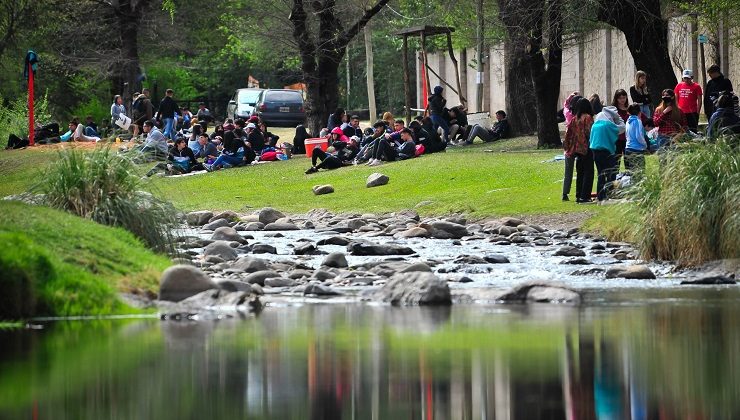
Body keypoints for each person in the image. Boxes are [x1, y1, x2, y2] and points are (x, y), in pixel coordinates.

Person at [589, 106, 625, 202]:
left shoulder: (595, 125)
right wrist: (618, 118)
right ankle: (609, 194)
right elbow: (622, 128)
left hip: (595, 151)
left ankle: (600, 196)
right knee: (610, 173)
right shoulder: (609, 125)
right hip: (607, 151)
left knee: (600, 174)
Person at [562, 98, 594, 203]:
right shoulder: (588, 118)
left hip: (576, 149)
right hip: (586, 148)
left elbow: (568, 135)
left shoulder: (574, 119)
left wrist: (568, 147)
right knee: (588, 172)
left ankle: (578, 195)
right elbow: (589, 133)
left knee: (580, 172)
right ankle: (585, 196)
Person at [561, 94, 582, 200]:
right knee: (581, 170)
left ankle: (565, 193)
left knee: (568, 172)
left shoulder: (568, 114)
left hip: (569, 147)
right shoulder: (582, 117)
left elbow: (565, 105)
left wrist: (571, 96)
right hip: (579, 146)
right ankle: (580, 192)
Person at [624, 104, 648, 173]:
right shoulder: (638, 121)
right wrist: (645, 144)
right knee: (640, 172)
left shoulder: (628, 121)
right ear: (639, 112)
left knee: (632, 172)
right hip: (636, 149)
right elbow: (639, 136)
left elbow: (626, 135)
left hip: (628, 148)